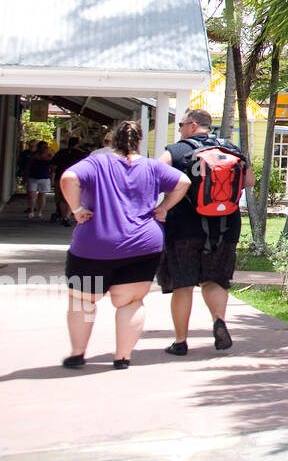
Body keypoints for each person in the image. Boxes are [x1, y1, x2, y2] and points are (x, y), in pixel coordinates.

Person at [58, 121, 190, 369]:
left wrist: (76, 209)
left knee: (82, 301)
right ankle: (122, 357)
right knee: (131, 302)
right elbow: (183, 181)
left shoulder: (96, 163)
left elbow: (68, 177)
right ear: (139, 141)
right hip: (142, 246)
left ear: (112, 141)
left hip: (93, 246)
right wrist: (163, 208)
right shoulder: (152, 167)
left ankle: (77, 353)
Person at [156, 109, 254, 356]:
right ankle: (219, 320)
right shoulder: (231, 149)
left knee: (183, 285)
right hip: (225, 226)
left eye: (181, 124)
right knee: (215, 280)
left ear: (192, 125)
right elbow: (249, 180)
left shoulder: (176, 151)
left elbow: (155, 175)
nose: (179, 129)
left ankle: (180, 342)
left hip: (184, 227)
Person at [25, 140, 54, 219]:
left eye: (45, 147)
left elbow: (53, 167)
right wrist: (26, 176)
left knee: (42, 196)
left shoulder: (49, 155)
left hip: (44, 177)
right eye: (42, 147)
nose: (44, 148)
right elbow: (28, 165)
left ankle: (39, 212)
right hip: (33, 177)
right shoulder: (33, 155)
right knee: (31, 195)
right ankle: (31, 210)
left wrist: (51, 174)